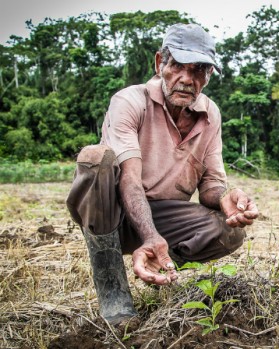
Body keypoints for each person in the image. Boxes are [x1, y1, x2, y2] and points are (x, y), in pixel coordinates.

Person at [66, 23, 259, 325]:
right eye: (177, 66)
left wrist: (225, 197)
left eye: (198, 70)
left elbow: (210, 184)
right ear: (159, 64)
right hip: (113, 214)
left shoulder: (211, 115)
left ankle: (160, 263)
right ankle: (114, 294)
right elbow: (129, 179)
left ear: (208, 77)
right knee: (96, 159)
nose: (186, 79)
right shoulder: (130, 101)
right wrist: (150, 235)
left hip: (164, 215)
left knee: (229, 230)